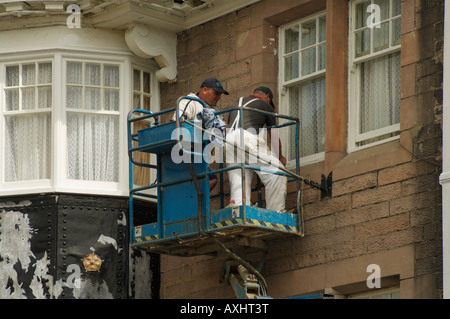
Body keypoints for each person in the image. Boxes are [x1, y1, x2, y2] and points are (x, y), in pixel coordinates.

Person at [225, 86, 287, 212]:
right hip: (247, 137)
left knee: (239, 179)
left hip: (229, 139)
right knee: (277, 173)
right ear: (267, 97)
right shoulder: (265, 105)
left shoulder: (237, 102)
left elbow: (228, 125)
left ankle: (239, 209)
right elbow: (274, 135)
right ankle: (276, 213)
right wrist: (279, 157)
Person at [172, 78, 229, 191]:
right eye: (216, 93)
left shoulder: (216, 110)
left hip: (202, 156)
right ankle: (193, 200)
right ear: (204, 90)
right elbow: (176, 122)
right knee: (208, 179)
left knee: (212, 179)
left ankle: (196, 202)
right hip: (185, 153)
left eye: (220, 95)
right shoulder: (190, 101)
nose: (218, 97)